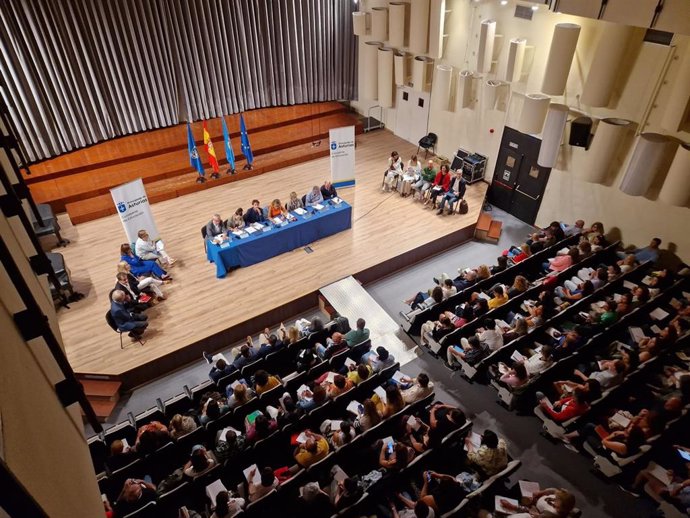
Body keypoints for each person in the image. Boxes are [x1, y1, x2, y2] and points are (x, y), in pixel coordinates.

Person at [498, 488, 576, 518]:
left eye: (556, 500)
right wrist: (541, 492)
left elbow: (530, 512)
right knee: (524, 481)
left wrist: (512, 506)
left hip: (530, 506)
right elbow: (554, 490)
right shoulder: (560, 498)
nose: (554, 500)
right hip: (534, 498)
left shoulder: (550, 514)